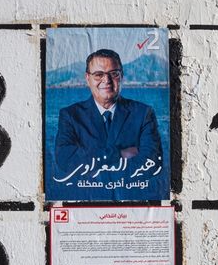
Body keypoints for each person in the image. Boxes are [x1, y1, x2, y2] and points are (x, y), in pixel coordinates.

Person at [53, 49, 162, 180]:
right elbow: (65, 160)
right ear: (88, 79)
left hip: (129, 192)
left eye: (113, 73)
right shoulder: (70, 115)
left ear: (121, 76)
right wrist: (119, 154)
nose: (107, 80)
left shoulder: (144, 113)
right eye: (98, 74)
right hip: (87, 193)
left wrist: (90, 161)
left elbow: (152, 162)